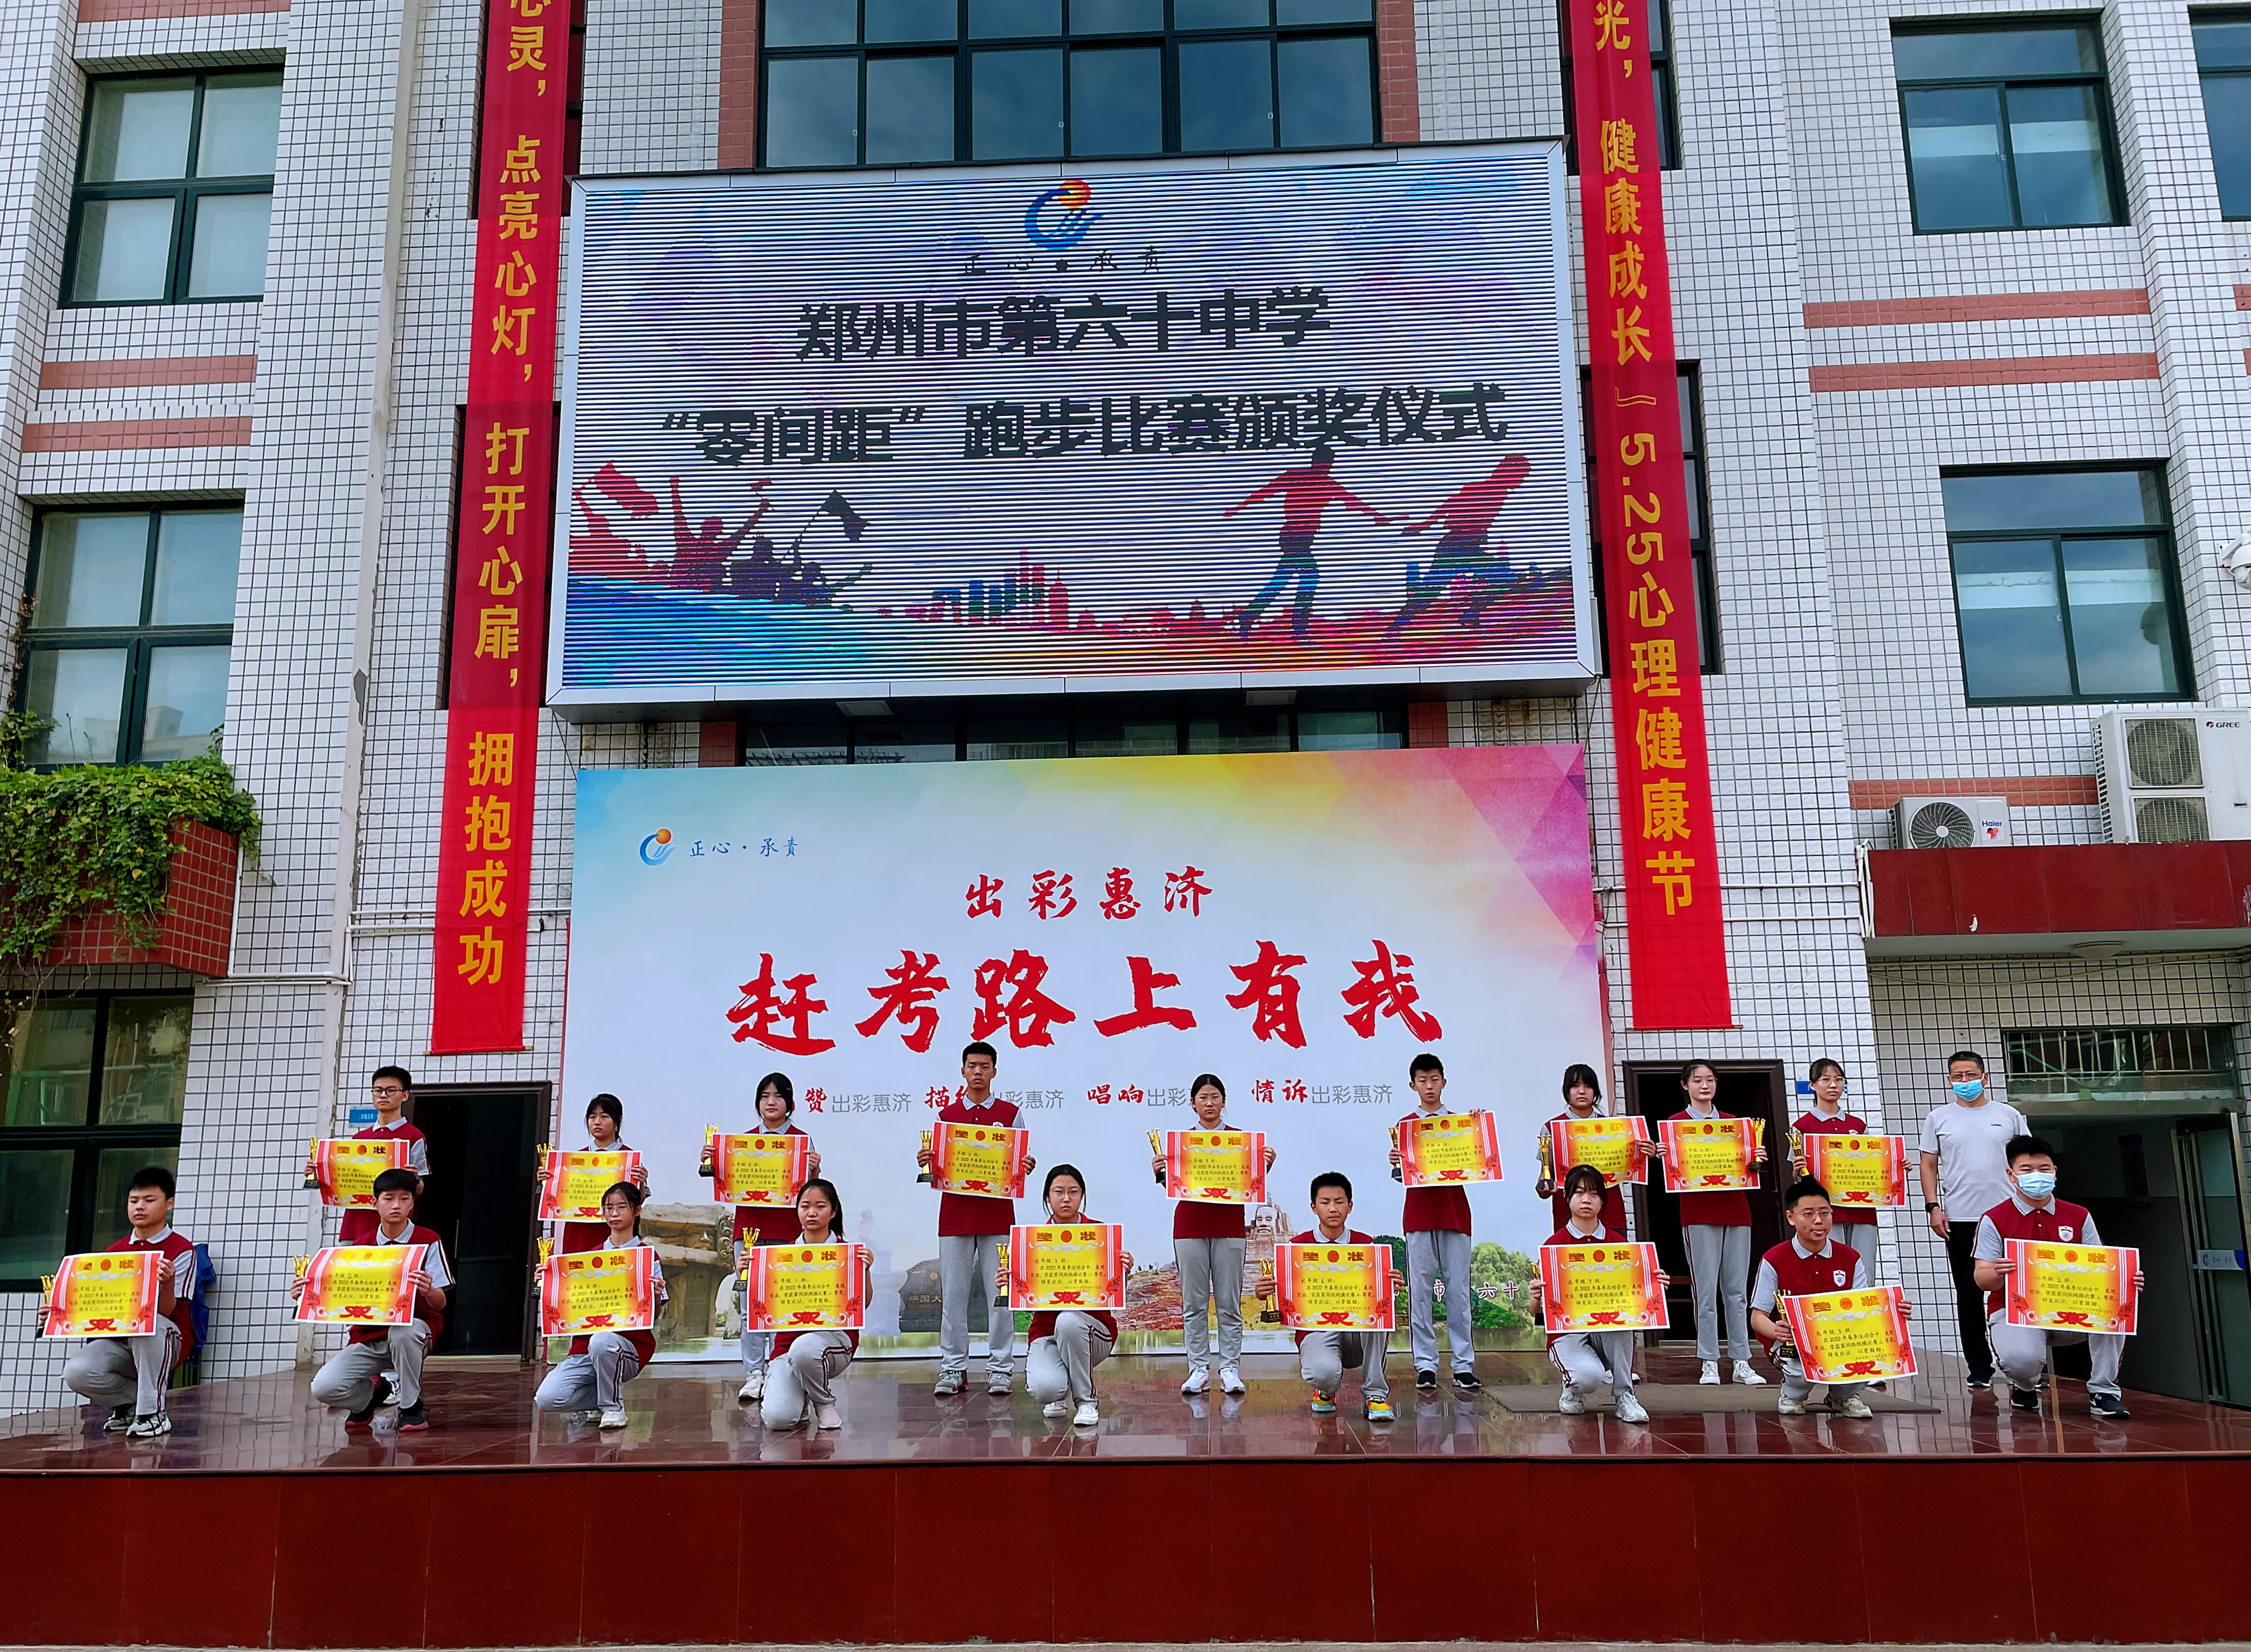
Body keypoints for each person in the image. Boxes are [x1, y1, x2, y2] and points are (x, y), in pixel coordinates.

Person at [1972, 1135, 2139, 1419]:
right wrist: (1997, 1272)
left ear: (2055, 1172)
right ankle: (2024, 1385)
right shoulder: (1995, 1219)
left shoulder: (2079, 1216)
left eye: (2044, 1169)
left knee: (2116, 1306)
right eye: (2027, 1170)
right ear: (2011, 1176)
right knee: (2022, 1361)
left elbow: (2101, 1266)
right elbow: (1982, 1278)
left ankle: (2104, 1392)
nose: (2037, 1176)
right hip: (2016, 1313)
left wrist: (2125, 1279)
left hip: (2072, 1310)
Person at [916, 1041, 1033, 1397]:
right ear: (963, 1071)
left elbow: (1019, 1160)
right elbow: (938, 1167)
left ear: (994, 1071)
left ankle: (1000, 1369)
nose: (978, 1071)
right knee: (953, 1297)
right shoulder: (946, 1116)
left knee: (1001, 1294)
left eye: (985, 1065)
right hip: (955, 1216)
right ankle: (953, 1368)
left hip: (998, 1217)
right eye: (972, 1065)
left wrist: (1025, 1166)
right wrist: (928, 1162)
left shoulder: (1010, 1114)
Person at [1155, 1074, 1277, 1397]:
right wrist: (1161, 1171)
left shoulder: (1241, 1142)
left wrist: (1264, 1165)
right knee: (1194, 1303)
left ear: (1224, 1102)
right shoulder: (1181, 1144)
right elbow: (1172, 1184)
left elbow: (1251, 1182)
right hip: (1190, 1228)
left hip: (1229, 1228)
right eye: (1203, 1098)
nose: (1209, 1103)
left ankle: (1229, 1368)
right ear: (1192, 1104)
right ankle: (1198, 1369)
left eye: (1215, 1097)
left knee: (1228, 1302)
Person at [302, 1167, 450, 1432]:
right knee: (323, 1387)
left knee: (403, 1333)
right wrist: (305, 1295)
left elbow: (440, 1304)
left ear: (412, 1204)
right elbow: (340, 1297)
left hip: (414, 1333)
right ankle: (370, 1397)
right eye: (388, 1198)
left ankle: (411, 1406)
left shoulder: (428, 1240)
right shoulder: (360, 1246)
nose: (396, 1205)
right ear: (375, 1203)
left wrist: (429, 1291)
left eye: (404, 1198)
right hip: (369, 1337)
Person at [703, 1072, 821, 1405]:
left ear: (790, 1103)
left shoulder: (802, 1142)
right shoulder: (742, 1144)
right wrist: (712, 1161)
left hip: (787, 1230)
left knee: (784, 1304)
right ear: (758, 1103)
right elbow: (726, 1182)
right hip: (749, 1231)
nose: (771, 1102)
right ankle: (754, 1372)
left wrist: (814, 1170)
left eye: (778, 1096)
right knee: (749, 1306)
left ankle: (781, 1368)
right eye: (765, 1096)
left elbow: (811, 1191)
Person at [1917, 1050, 2028, 1391]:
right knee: (1968, 1294)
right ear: (1950, 1081)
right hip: (1961, 1218)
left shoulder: (2009, 1115)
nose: (1965, 1081)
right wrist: (1933, 1207)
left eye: (1971, 1075)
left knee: (2020, 1289)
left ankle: (2024, 1367)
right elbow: (1928, 1165)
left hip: (2009, 1216)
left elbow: (2027, 1160)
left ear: (1985, 1077)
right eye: (1958, 1076)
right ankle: (1979, 1368)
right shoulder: (1938, 1118)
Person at [61, 1165, 198, 1439]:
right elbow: (98, 1308)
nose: (140, 1207)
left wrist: (168, 1282)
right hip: (122, 1341)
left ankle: (152, 1414)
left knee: (147, 1326)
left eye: (149, 1200)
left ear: (169, 1204)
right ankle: (128, 1405)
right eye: (134, 1201)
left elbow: (168, 1311)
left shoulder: (181, 1250)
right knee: (77, 1371)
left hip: (166, 1339)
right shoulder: (114, 1253)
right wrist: (60, 1313)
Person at [1749, 1177, 1894, 1420]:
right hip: (1793, 1342)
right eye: (1808, 1214)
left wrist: (1894, 1312)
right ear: (1791, 1218)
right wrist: (1777, 1331)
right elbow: (1758, 1317)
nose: (1818, 1221)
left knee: (1872, 1352)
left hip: (1839, 1338)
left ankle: (1845, 1396)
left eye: (1824, 1213)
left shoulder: (1850, 1257)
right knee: (1800, 1372)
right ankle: (1792, 1395)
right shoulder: (1774, 1259)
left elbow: (1864, 1309)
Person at [1257, 1171, 1395, 1420]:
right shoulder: (1296, 1248)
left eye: (1339, 1202)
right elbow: (1283, 1292)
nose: (1333, 1208)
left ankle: (1375, 1395)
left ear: (1350, 1206)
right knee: (1323, 1373)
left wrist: (1390, 1287)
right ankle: (1325, 1391)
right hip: (1318, 1331)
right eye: (1325, 1202)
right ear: (1314, 1207)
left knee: (1378, 1318)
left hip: (1357, 1332)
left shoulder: (1367, 1245)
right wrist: (1264, 1292)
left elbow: (1379, 1294)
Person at [534, 1181, 668, 1430]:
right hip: (584, 1351)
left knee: (602, 1340)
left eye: (621, 1207)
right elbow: (568, 1306)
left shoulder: (647, 1257)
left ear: (637, 1211)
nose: (614, 1213)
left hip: (627, 1348)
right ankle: (603, 1397)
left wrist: (657, 1295)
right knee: (547, 1398)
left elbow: (653, 1316)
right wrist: (549, 1283)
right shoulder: (588, 1259)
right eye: (608, 1208)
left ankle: (613, 1408)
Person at [1668, 1059, 1767, 1386]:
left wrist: (1755, 1159)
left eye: (1710, 1080)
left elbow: (1748, 1167)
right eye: (1697, 1080)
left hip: (1737, 1212)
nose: (1705, 1086)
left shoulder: (1735, 1125)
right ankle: (1709, 1361)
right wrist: (1662, 1155)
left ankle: (1741, 1361)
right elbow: (1674, 1171)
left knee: (1737, 1291)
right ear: (1685, 1085)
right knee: (1705, 1291)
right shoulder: (1675, 1125)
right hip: (1698, 1214)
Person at [1388, 1051, 1481, 1394]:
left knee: (1458, 1292)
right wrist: (1397, 1162)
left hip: (1455, 1214)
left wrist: (1478, 1133)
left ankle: (1463, 1366)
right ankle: (1426, 1365)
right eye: (1422, 1081)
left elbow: (1478, 1163)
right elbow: (1402, 1176)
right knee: (1421, 1292)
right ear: (1412, 1085)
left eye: (1434, 1079)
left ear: (1444, 1082)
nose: (1429, 1086)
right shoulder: (1405, 1127)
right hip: (1419, 1216)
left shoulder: (1461, 1124)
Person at [1224, 444, 1388, 640]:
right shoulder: (1309, 479)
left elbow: (1353, 502)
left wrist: (1377, 517)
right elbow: (1265, 492)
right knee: (1309, 577)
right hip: (1295, 537)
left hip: (1297, 537)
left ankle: (1251, 616)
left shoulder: (1317, 481)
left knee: (1283, 580)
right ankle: (1297, 628)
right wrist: (1238, 508)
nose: (1328, 467)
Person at [1019, 1164, 1133, 1429]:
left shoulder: (1100, 1235)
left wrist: (1123, 1270)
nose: (1066, 1198)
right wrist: (1008, 1283)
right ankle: (1058, 1391)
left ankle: (1086, 1402)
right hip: (1047, 1333)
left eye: (1074, 1192)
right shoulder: (1032, 1242)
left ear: (1082, 1195)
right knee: (1045, 1389)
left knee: (1069, 1320)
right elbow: (1024, 1293)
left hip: (1093, 1332)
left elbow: (1112, 1291)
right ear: (1047, 1197)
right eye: (1058, 1192)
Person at [1543, 1165, 1656, 1423]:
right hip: (1569, 1333)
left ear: (1603, 1201)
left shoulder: (1620, 1244)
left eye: (1594, 1194)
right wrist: (1537, 1296)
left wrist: (1653, 1285)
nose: (1586, 1200)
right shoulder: (1554, 1246)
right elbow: (1535, 1310)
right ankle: (1573, 1388)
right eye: (1579, 1192)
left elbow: (1635, 1298)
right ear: (1566, 1198)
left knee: (1620, 1322)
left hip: (1604, 1330)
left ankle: (1625, 1396)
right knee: (1588, 1379)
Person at [759, 1178, 865, 1431]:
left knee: (805, 1349)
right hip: (786, 1348)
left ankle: (824, 1403)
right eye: (805, 1206)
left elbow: (864, 1304)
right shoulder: (780, 1257)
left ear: (834, 1211)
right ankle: (802, 1394)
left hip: (834, 1341)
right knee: (778, 1419)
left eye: (820, 1206)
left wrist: (866, 1270)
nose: (812, 1213)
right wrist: (749, 1271)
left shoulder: (848, 1254)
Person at [1388, 453, 1535, 633]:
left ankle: (1470, 614)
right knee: (1428, 595)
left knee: (1504, 579)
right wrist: (1424, 525)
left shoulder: (1499, 493)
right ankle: (1396, 628)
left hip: (1466, 548)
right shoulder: (1483, 489)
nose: (1521, 482)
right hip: (1456, 547)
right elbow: (1450, 504)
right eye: (1520, 476)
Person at [1534, 1062, 1656, 1232]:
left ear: (1596, 1092)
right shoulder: (1552, 1128)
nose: (1582, 1091)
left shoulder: (1616, 1128)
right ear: (1566, 1091)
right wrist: (1544, 1188)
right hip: (1569, 1218)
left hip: (1610, 1214)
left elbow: (1633, 1165)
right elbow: (1545, 1175)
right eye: (1575, 1086)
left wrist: (1646, 1153)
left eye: (1588, 1086)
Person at [1790, 1059, 1879, 1266]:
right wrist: (1797, 1171)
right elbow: (1796, 1178)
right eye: (1826, 1080)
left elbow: (1873, 1164)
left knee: (1864, 1270)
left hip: (1862, 1209)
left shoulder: (1858, 1126)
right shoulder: (1802, 1127)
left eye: (1839, 1080)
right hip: (1823, 1213)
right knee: (1832, 1269)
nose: (1833, 1085)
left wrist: (1895, 1167)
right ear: (1812, 1085)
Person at [338, 1065, 427, 1245]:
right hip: (355, 1225)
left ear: (405, 1095)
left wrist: (414, 1179)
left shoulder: (414, 1136)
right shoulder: (359, 1138)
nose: (383, 1095)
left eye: (391, 1090)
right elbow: (340, 1186)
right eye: (378, 1090)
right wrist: (318, 1175)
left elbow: (420, 1189)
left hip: (394, 1230)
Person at [559, 1094, 651, 1256]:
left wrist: (642, 1182)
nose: (597, 1122)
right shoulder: (574, 1160)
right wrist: (549, 1180)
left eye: (604, 1116)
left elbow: (639, 1201)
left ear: (618, 1121)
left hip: (614, 1231)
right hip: (580, 1231)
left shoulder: (629, 1158)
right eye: (592, 1117)